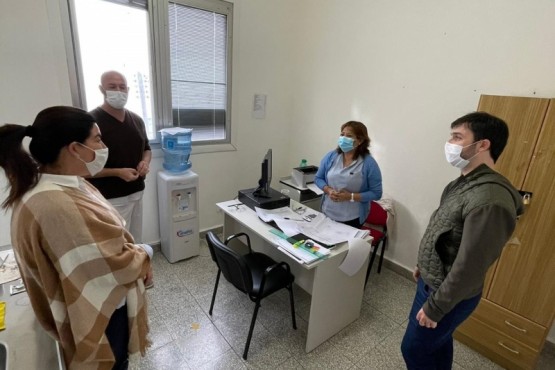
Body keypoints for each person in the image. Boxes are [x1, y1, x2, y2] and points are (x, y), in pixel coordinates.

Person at [0, 106, 153, 369]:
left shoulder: (63, 182)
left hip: (103, 303)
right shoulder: (56, 205)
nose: (103, 146)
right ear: (74, 148)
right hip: (101, 313)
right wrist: (145, 254)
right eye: (97, 139)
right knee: (114, 362)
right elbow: (105, 265)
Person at [400, 112, 524, 369]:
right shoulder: (463, 184)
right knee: (437, 344)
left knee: (415, 349)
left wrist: (436, 307)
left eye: (457, 137)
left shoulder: (490, 199)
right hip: (432, 282)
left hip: (447, 295)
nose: (450, 143)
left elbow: (471, 266)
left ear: (482, 144)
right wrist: (424, 266)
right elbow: (444, 230)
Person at [88, 71, 151, 242]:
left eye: (122, 87)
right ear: (102, 89)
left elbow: (147, 148)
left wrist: (145, 163)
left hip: (137, 190)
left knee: (135, 241)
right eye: (112, 87)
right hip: (110, 196)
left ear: (128, 90)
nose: (118, 91)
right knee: (116, 244)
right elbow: (83, 169)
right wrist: (117, 172)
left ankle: (138, 268)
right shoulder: (91, 121)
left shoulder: (137, 120)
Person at [314, 120, 383, 228]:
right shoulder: (331, 156)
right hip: (327, 212)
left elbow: (376, 193)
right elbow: (318, 178)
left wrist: (350, 196)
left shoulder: (369, 163)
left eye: (349, 136)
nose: (343, 138)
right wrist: (328, 190)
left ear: (359, 141)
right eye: (342, 135)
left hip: (352, 218)